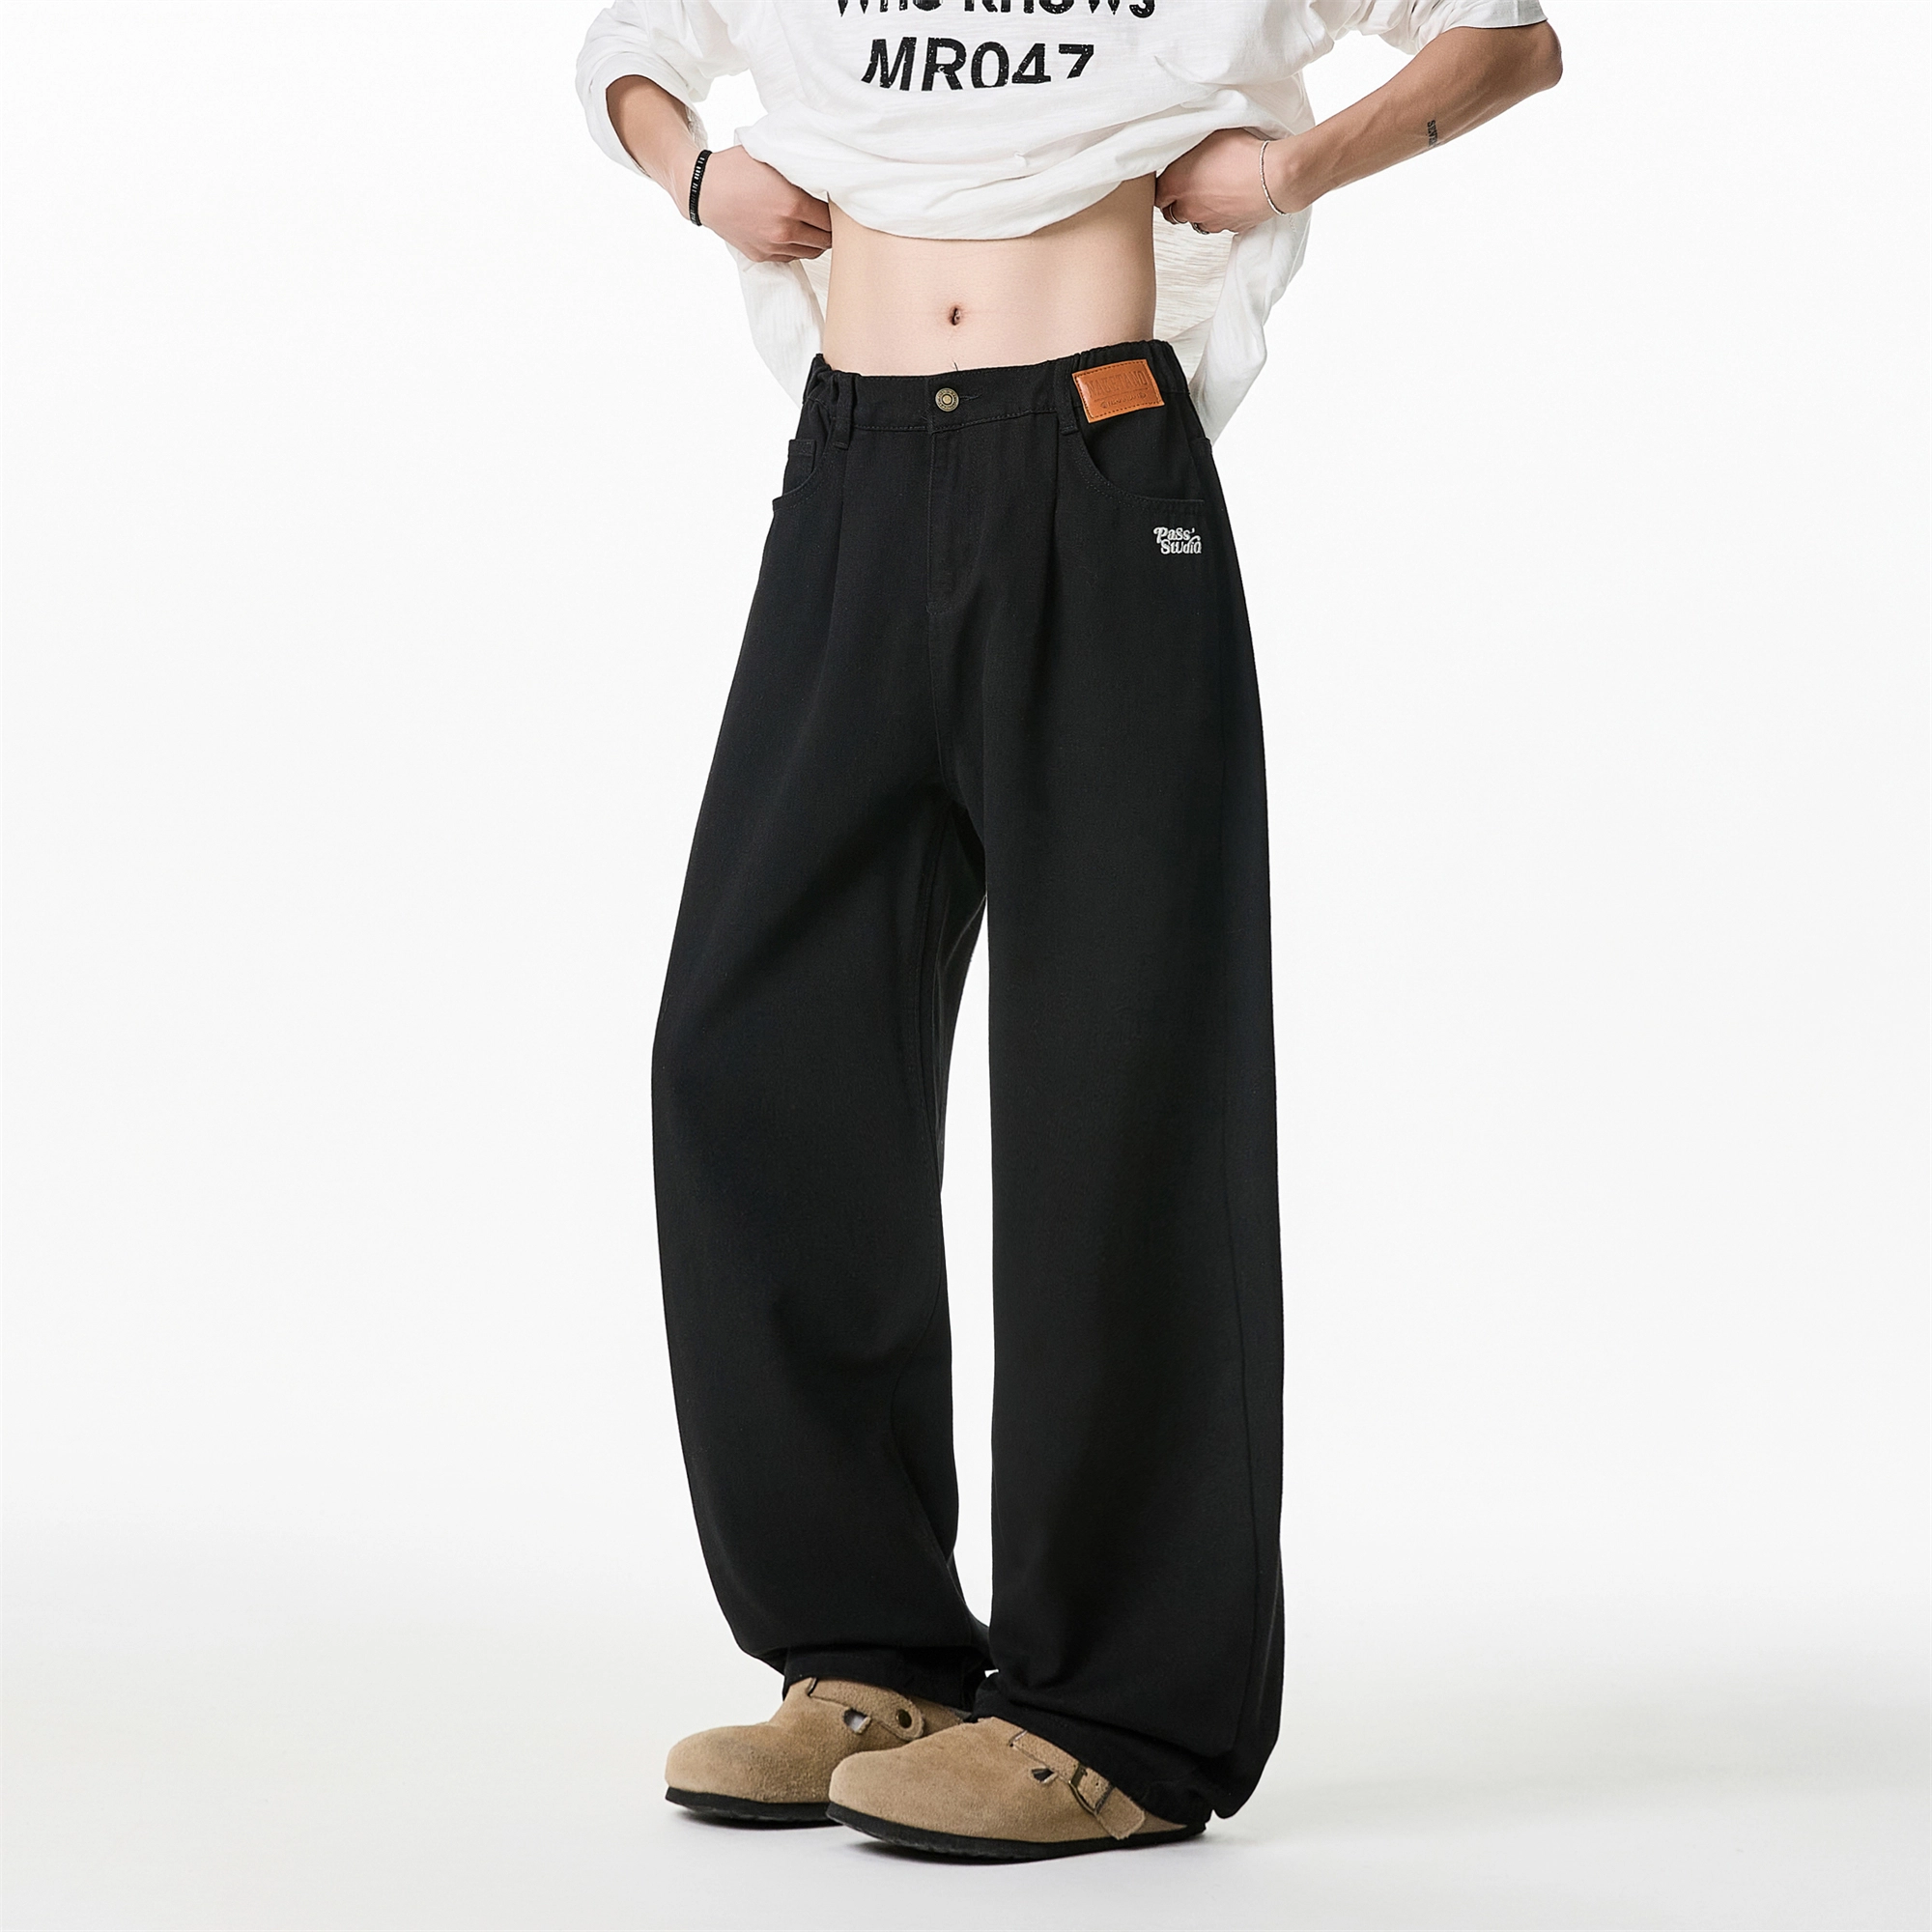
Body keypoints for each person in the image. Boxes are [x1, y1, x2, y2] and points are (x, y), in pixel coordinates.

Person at [575, 0, 1560, 1863]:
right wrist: (694, 176)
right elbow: (631, 48)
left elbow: (1505, 38)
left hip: (1096, 466)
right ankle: (868, 1657)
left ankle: (1119, 1720)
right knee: (753, 1057)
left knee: (1118, 1081)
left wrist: (1293, 165)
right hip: (854, 469)